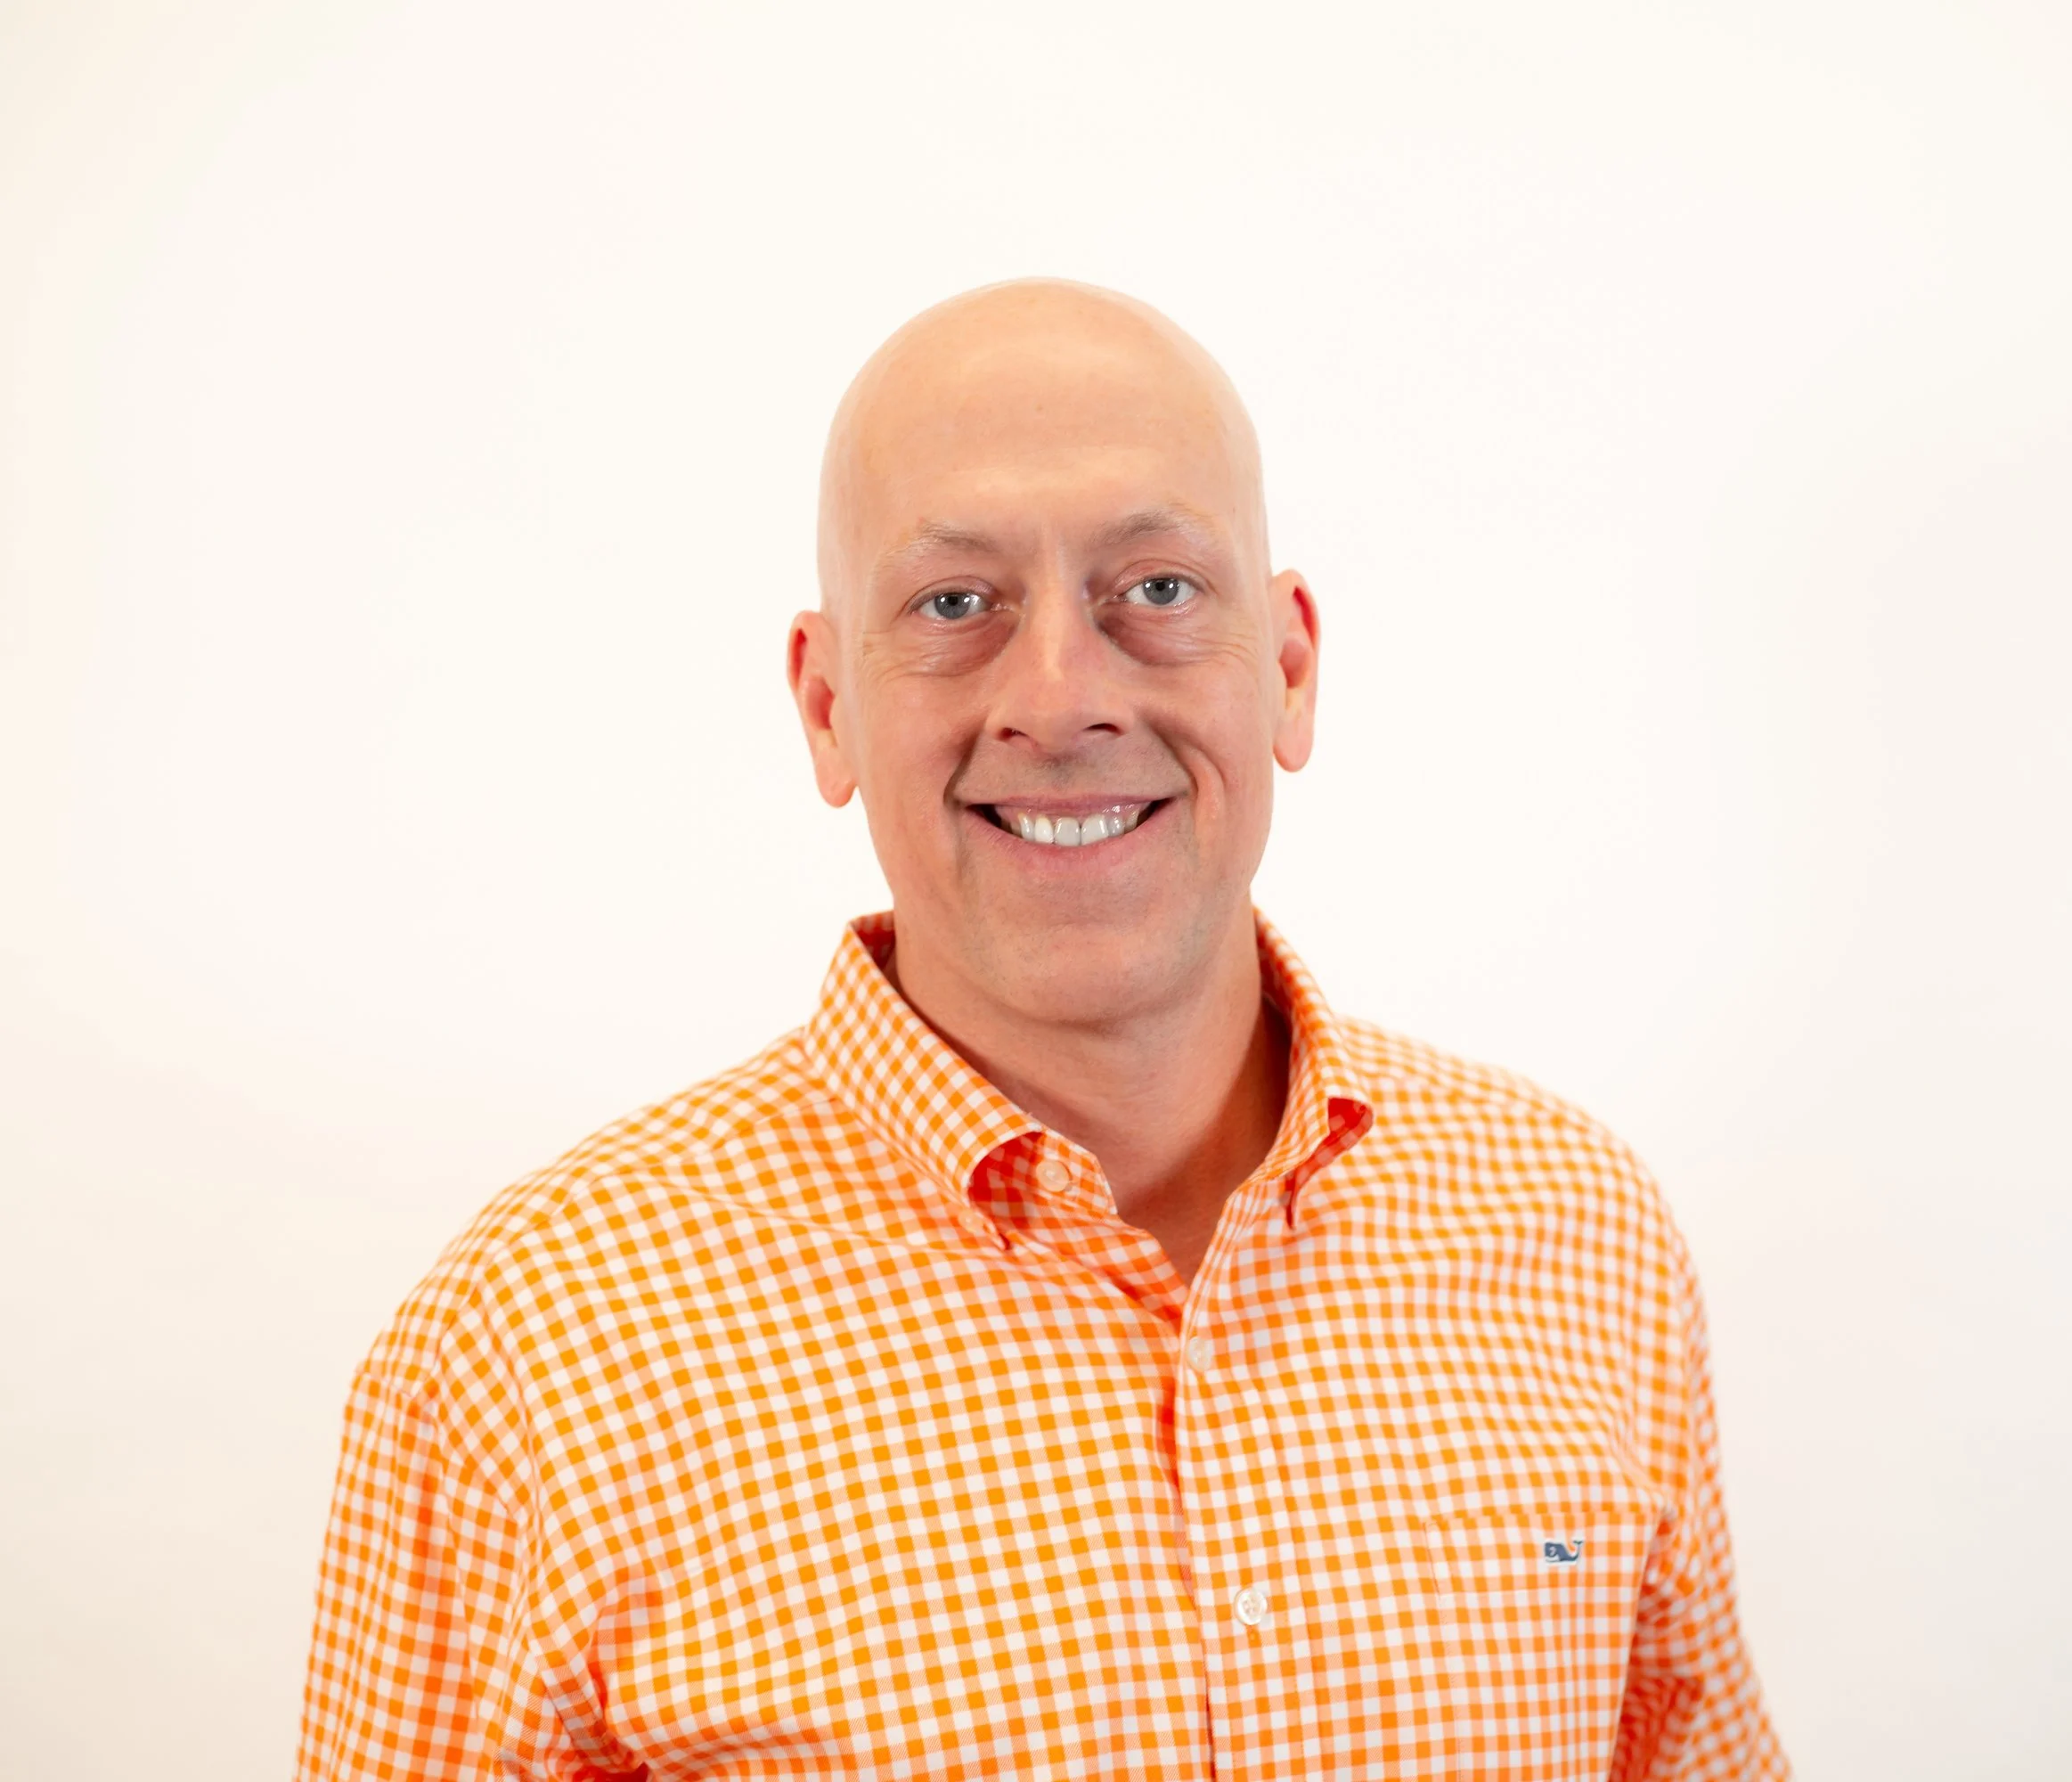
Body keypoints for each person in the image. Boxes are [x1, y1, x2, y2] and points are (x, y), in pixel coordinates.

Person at [297, 279, 1787, 1780]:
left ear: (1287, 666)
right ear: (825, 708)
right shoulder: (524, 1354)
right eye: (957, 605)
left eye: (1154, 589)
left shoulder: (1583, 1235)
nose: (1060, 699)